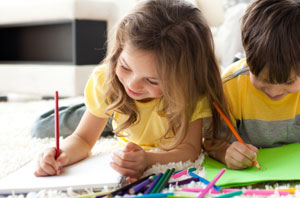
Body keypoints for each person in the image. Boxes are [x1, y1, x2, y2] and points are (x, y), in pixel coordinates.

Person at [35, 0, 230, 181]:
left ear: (184, 80)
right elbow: (83, 138)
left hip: (134, 120)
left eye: (152, 80)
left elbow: (190, 151)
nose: (133, 85)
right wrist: (61, 156)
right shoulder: (108, 80)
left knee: (112, 124)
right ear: (118, 51)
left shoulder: (191, 94)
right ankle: (95, 112)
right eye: (126, 67)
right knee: (42, 126)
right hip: (117, 107)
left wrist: (148, 160)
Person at [204, 0, 300, 170]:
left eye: (288, 81)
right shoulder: (229, 88)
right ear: (247, 59)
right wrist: (226, 153)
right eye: (262, 79)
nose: (274, 91)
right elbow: (212, 142)